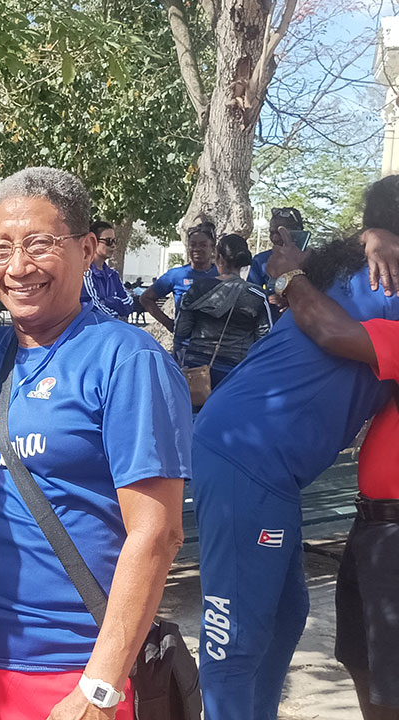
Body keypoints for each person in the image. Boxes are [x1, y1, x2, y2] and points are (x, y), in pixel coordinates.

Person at [0, 167, 192, 720]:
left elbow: (159, 533)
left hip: (69, 666)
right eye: (0, 248)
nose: (18, 266)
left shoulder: (128, 361)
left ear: (88, 248)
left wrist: (100, 687)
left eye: (39, 245)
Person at [191, 176, 399, 720]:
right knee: (234, 633)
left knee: (285, 615)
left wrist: (365, 239)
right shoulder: (387, 280)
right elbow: (326, 327)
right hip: (248, 453)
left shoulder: (354, 268)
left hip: (263, 461)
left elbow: (268, 265)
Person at [263, 188, 399, 720]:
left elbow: (331, 330)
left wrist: (289, 277)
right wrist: (373, 235)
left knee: (390, 683)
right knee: (362, 663)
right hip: (373, 527)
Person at [173, 233, 272, 390]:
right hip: (235, 370)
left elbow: (181, 330)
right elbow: (264, 339)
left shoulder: (196, 289)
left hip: (196, 367)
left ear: (218, 258)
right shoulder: (257, 295)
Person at [140, 221, 218, 341]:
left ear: (212, 248)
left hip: (215, 344)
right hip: (185, 346)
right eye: (193, 245)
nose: (197, 249)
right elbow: (146, 298)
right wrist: (168, 323)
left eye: (203, 245)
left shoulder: (221, 274)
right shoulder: (176, 275)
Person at [80, 220, 133, 319]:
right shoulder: (85, 272)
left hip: (113, 329)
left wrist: (110, 301)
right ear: (93, 242)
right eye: (108, 241)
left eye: (114, 241)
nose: (113, 246)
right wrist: (117, 316)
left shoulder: (113, 275)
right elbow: (94, 307)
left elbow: (129, 303)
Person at [246, 206, 303, 293]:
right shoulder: (260, 260)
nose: (275, 238)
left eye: (280, 233)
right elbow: (251, 293)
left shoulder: (311, 259)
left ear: (297, 232)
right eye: (272, 232)